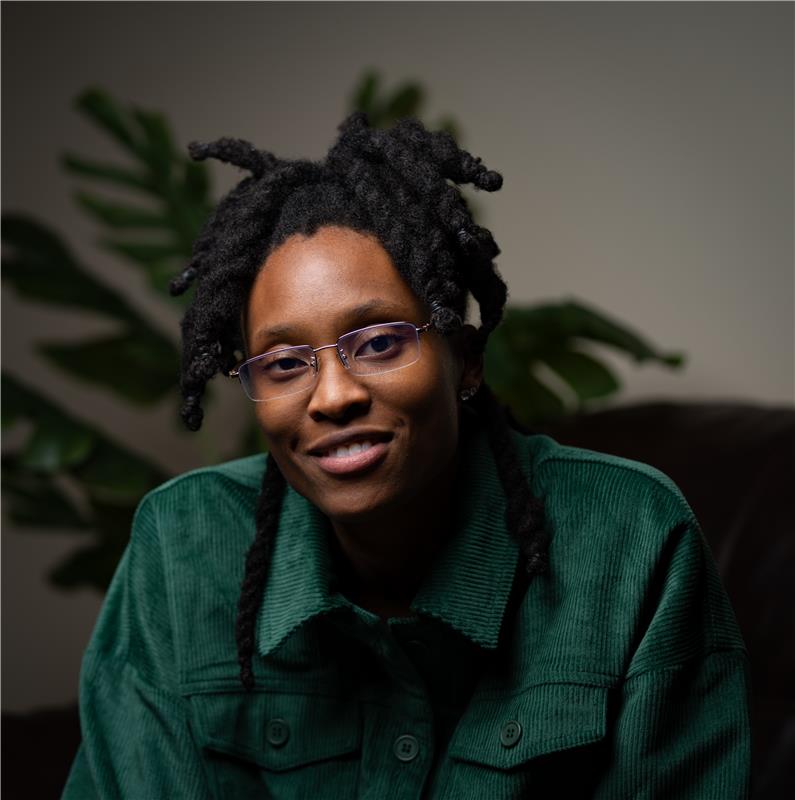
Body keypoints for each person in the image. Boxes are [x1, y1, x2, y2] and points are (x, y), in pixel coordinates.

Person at [62, 114, 751, 799]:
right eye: (284, 363)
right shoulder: (181, 546)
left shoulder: (632, 540)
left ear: (466, 360)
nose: (333, 396)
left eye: (380, 343)